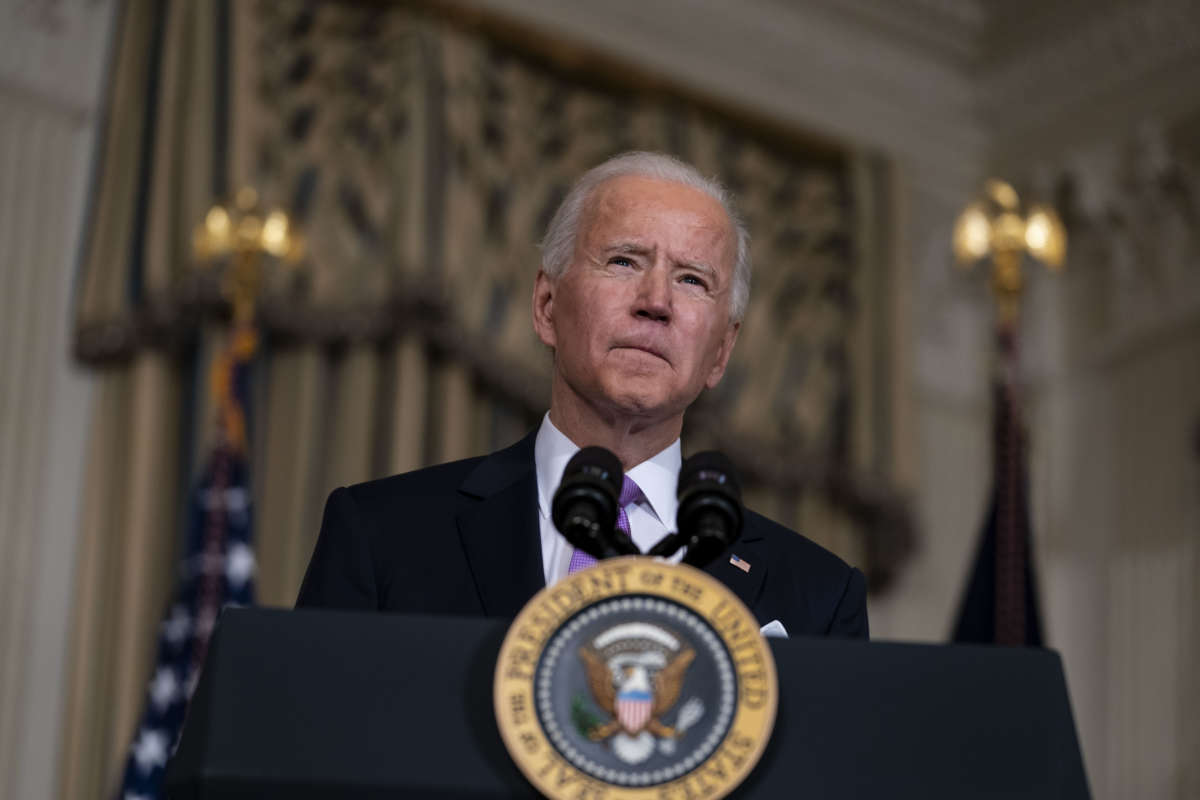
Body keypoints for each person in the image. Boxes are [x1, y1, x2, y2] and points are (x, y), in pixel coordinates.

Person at [297, 152, 868, 638]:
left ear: (721, 352)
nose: (656, 301)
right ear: (547, 307)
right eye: (624, 261)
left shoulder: (818, 596)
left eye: (692, 279)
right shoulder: (382, 534)